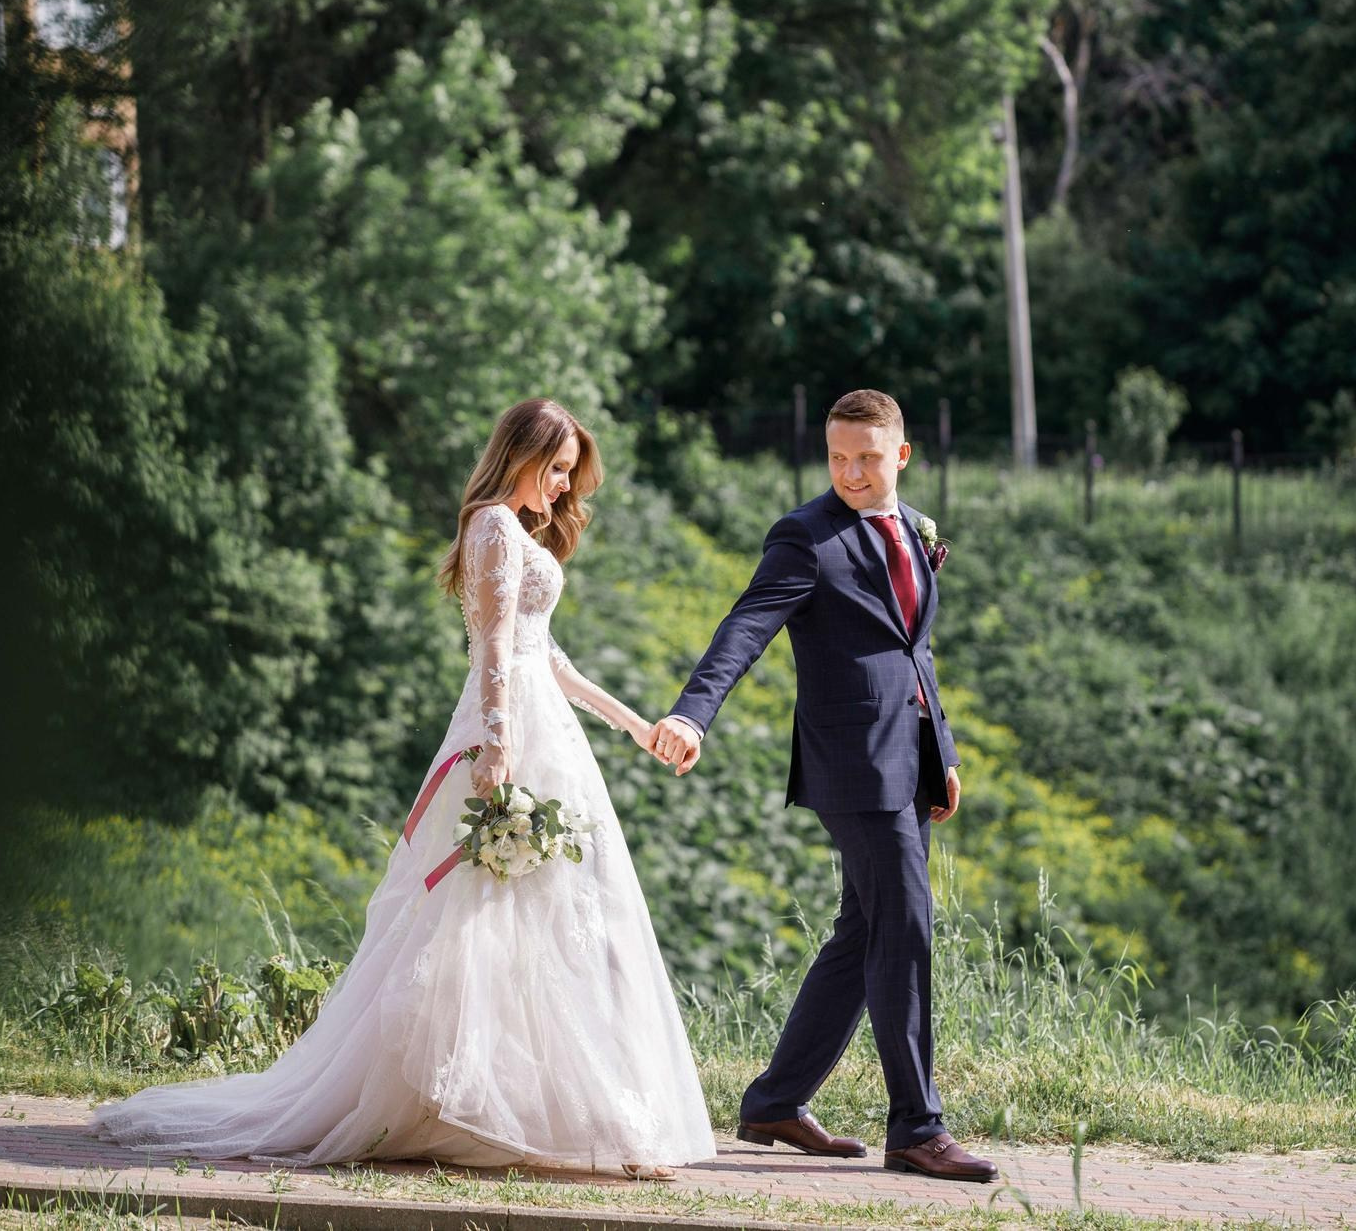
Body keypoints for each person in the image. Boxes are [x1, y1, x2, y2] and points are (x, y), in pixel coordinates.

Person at [90, 398, 715, 1179]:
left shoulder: (515, 531)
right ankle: (474, 1102)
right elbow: (493, 646)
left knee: (557, 916)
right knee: (478, 913)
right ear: (519, 454)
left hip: (547, 728)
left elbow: (547, 655)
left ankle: (559, 1111)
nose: (562, 486)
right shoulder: (493, 525)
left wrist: (636, 726)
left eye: (567, 473)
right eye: (555, 468)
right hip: (511, 732)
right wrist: (498, 744)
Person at [651, 388, 998, 1183]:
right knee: (905, 922)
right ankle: (917, 1127)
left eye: (867, 458)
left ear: (900, 455)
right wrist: (693, 714)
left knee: (864, 930)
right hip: (850, 765)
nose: (851, 473)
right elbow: (745, 626)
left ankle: (775, 1099)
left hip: (908, 759)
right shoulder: (805, 536)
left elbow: (915, 649)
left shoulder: (915, 529)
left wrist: (941, 749)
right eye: (838, 457)